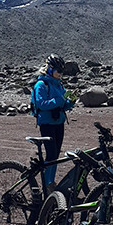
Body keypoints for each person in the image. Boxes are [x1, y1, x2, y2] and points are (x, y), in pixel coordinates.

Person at [32, 54, 75, 187]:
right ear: (50, 69)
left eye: (62, 71)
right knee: (51, 155)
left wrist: (70, 102)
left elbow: (62, 105)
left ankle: (50, 182)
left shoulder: (59, 85)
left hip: (58, 123)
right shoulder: (41, 84)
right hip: (47, 124)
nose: (61, 74)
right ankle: (47, 184)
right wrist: (60, 100)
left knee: (55, 155)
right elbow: (41, 104)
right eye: (58, 71)